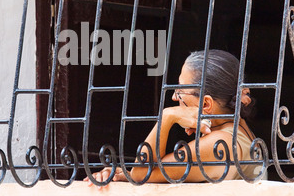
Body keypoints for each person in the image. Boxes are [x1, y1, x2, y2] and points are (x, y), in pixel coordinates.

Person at [84, 49, 259, 187]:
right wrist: (123, 175)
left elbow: (141, 175)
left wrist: (168, 117)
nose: (175, 97)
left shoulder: (219, 144)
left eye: (181, 90)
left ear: (205, 104)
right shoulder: (237, 131)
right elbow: (141, 173)